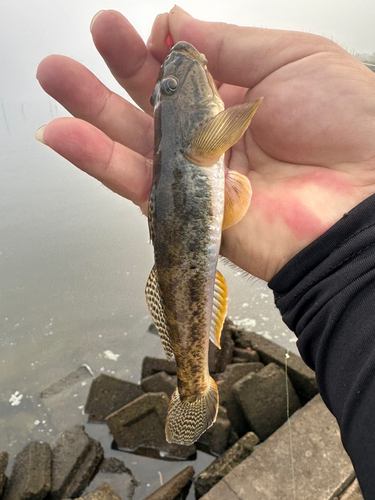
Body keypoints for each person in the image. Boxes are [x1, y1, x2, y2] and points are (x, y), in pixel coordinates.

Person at [36, 6, 375, 497]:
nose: (170, 83)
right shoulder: (206, 133)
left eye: (165, 90)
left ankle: (193, 381)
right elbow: (233, 123)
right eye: (165, 93)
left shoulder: (201, 135)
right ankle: (194, 384)